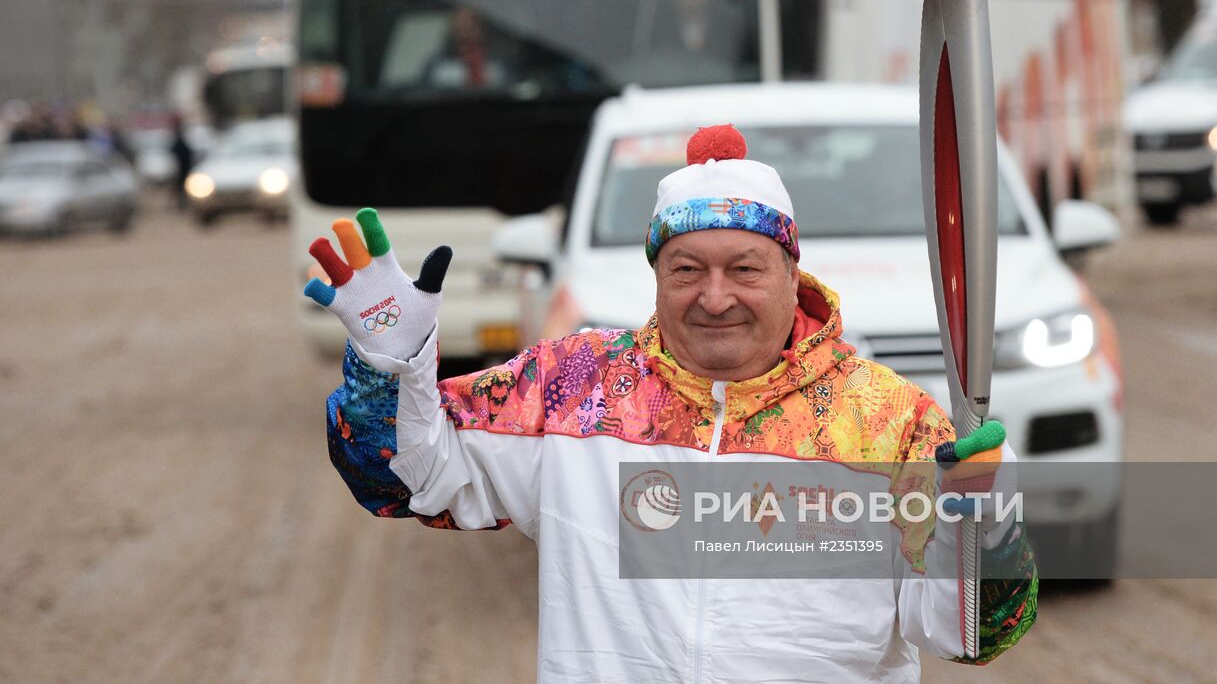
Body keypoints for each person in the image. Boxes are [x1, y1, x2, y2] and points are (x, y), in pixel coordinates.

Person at [307, 124, 1036, 682]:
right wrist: (388, 367)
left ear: (791, 275)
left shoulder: (890, 424)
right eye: (687, 268)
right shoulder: (572, 386)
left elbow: (969, 635)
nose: (714, 297)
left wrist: (985, 533)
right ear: (657, 276)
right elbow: (403, 481)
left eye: (744, 268)